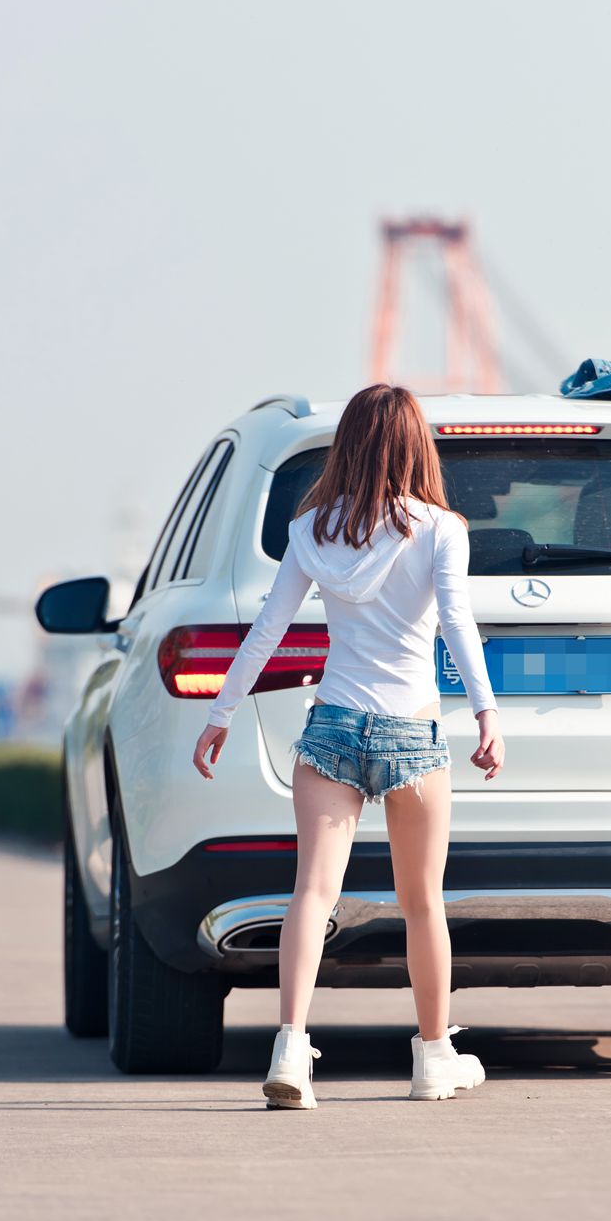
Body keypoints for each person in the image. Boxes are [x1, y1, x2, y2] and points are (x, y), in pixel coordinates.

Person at [191, 383, 504, 1107]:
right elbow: (458, 624)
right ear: (415, 444)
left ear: (350, 444)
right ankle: (433, 1060)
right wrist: (487, 713)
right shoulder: (441, 529)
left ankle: (291, 1052)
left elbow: (267, 627)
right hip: (411, 732)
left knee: (312, 892)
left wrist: (221, 712)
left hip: (331, 726)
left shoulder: (313, 529)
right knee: (422, 902)